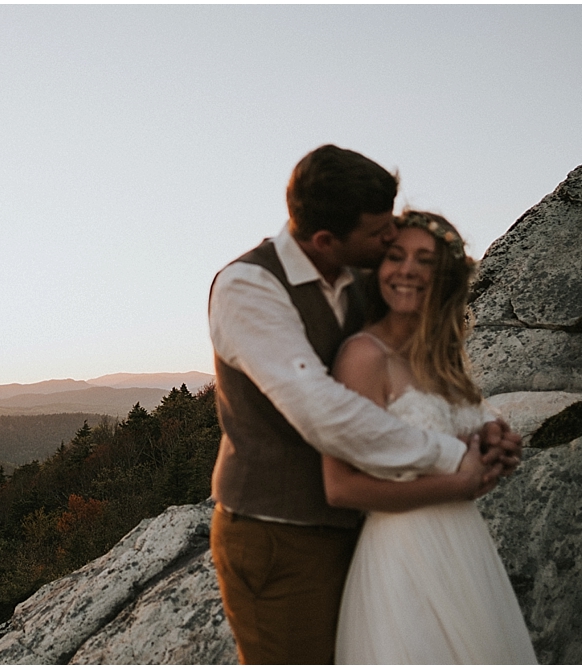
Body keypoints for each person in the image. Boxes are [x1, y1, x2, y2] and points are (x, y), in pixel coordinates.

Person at [208, 144, 522, 664]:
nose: (392, 239)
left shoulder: (359, 274)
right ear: (326, 240)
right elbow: (325, 412)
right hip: (280, 536)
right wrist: (451, 458)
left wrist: (485, 424)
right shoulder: (249, 288)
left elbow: (418, 365)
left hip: (371, 527)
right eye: (381, 233)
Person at [323, 210, 537, 663]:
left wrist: (496, 449)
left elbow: (469, 448)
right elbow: (340, 486)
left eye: (425, 260)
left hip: (466, 550)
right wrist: (459, 484)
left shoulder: (444, 362)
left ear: (446, 277)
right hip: (404, 557)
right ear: (377, 269)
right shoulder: (363, 357)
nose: (407, 271)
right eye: (396, 256)